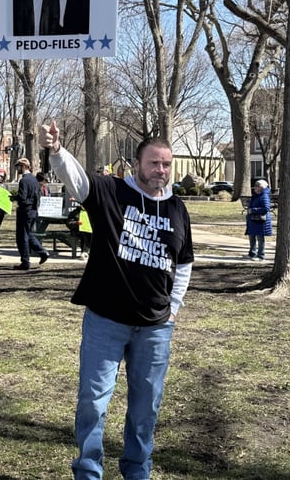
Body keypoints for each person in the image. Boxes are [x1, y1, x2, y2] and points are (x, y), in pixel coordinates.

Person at [39, 122, 194, 480]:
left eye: (167, 164)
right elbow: (76, 179)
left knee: (146, 408)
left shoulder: (177, 208)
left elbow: (183, 262)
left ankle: (137, 471)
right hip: (106, 321)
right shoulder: (111, 191)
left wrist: (174, 307)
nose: (161, 170)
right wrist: (57, 150)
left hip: (155, 329)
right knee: (93, 403)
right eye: (154, 163)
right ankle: (88, 471)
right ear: (137, 164)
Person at [11, 157, 48, 270]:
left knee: (22, 237)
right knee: (29, 234)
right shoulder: (34, 180)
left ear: (24, 166)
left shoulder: (24, 180)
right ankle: (42, 253)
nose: (17, 169)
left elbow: (22, 197)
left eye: (18, 167)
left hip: (25, 211)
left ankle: (25, 262)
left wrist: (14, 197)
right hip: (33, 211)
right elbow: (38, 196)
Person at [244, 179, 273, 261]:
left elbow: (266, 208)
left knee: (260, 238)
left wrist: (253, 210)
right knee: (251, 236)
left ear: (261, 188)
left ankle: (261, 256)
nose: (255, 188)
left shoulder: (264, 196)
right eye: (255, 186)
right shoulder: (256, 196)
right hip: (253, 220)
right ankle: (252, 253)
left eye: (257, 186)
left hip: (260, 221)